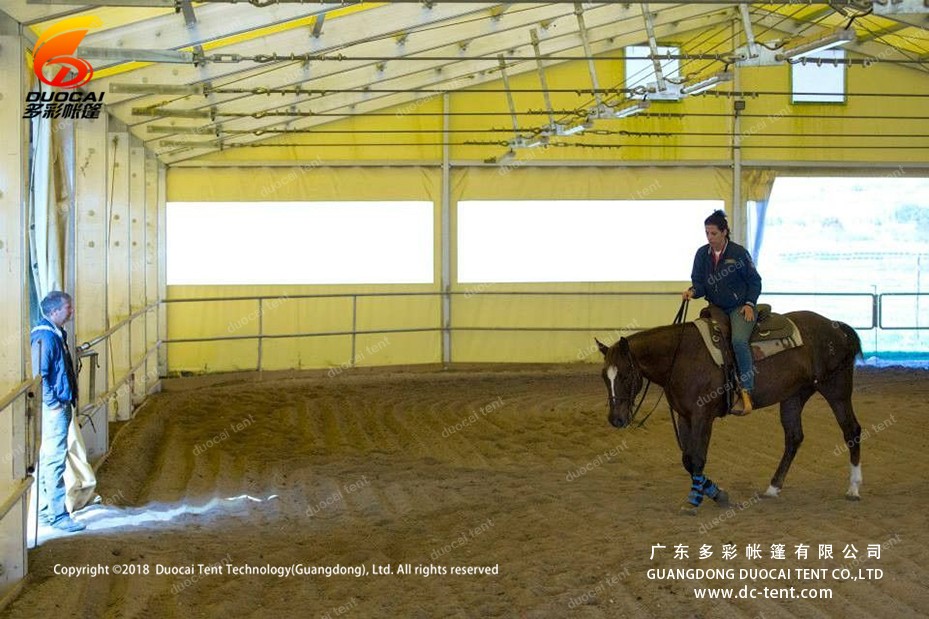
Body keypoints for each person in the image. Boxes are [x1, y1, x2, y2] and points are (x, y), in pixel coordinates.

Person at [682, 210, 762, 414]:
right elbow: (699, 284)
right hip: (715, 308)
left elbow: (755, 281)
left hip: (738, 307)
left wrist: (750, 303)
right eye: (707, 233)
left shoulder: (739, 253)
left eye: (713, 233)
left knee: (738, 341)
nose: (709, 238)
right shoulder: (702, 254)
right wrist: (693, 291)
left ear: (724, 232)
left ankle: (746, 390)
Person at [31, 291, 85, 532]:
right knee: (54, 461)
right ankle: (58, 516)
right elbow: (40, 375)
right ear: (54, 311)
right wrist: (53, 404)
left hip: (57, 406)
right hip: (54, 409)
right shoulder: (46, 337)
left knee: (50, 459)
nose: (71, 311)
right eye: (68, 307)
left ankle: (45, 512)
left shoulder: (53, 334)